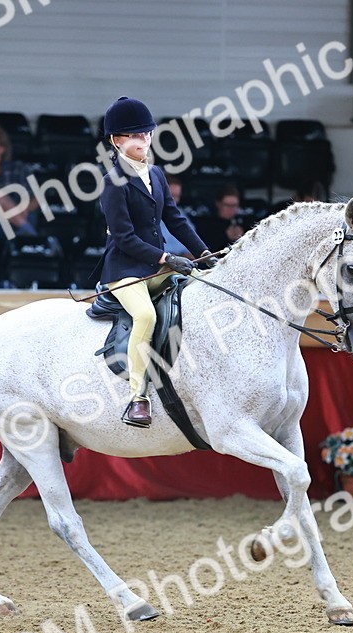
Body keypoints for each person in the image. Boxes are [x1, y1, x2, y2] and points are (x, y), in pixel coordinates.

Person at [97, 96, 217, 428]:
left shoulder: (157, 174)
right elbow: (123, 237)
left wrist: (206, 256)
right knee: (145, 316)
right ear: (117, 140)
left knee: (204, 292)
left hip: (157, 267)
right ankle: (137, 397)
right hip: (125, 270)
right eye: (136, 135)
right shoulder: (112, 182)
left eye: (147, 133)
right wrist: (166, 257)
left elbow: (176, 221)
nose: (144, 140)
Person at [195, 183, 245, 250]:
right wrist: (225, 236)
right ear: (218, 204)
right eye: (227, 205)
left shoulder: (244, 221)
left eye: (234, 205)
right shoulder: (207, 225)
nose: (231, 209)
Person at [159, 174, 194, 257]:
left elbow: (192, 243)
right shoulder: (151, 215)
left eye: (177, 196)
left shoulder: (182, 214)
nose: (174, 201)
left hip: (184, 261)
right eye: (172, 196)